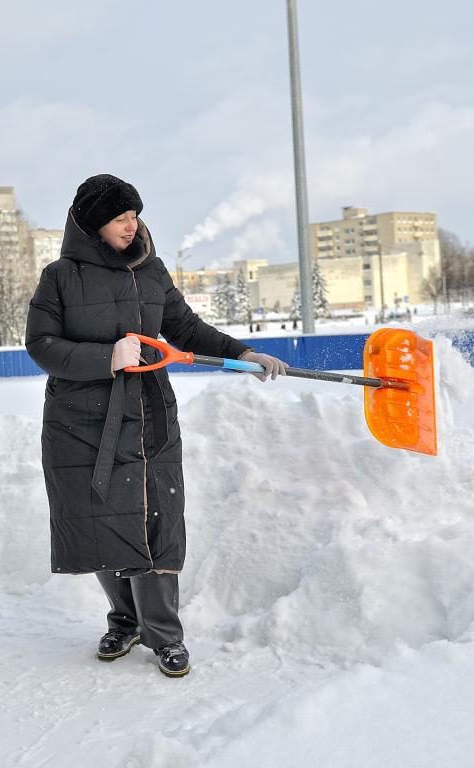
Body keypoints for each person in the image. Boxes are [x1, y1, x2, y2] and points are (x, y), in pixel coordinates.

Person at [25, 174, 287, 678]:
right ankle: (125, 621)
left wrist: (242, 352)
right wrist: (108, 356)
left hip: (148, 413)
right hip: (83, 421)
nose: (132, 225)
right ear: (93, 224)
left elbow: (185, 327)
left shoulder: (151, 270)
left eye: (134, 216)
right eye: (120, 218)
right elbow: (41, 346)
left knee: (157, 521)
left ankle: (164, 635)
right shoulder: (59, 277)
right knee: (103, 521)